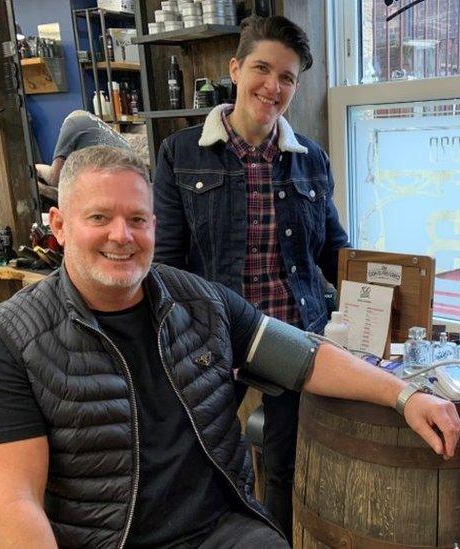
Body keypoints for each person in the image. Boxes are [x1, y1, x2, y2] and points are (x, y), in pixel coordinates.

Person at [0, 146, 460, 548]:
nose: (122, 236)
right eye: (99, 218)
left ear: (155, 225)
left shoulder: (201, 301)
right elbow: (13, 507)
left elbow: (304, 358)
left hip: (217, 530)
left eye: (138, 219)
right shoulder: (8, 345)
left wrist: (405, 395)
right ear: (60, 226)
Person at [151, 15, 349, 539]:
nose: (273, 86)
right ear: (235, 69)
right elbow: (166, 264)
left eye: (287, 77)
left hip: (291, 334)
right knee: (196, 456)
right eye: (262, 69)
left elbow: (334, 252)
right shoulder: (181, 154)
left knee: (284, 464)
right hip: (211, 337)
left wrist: (385, 295)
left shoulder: (311, 160)